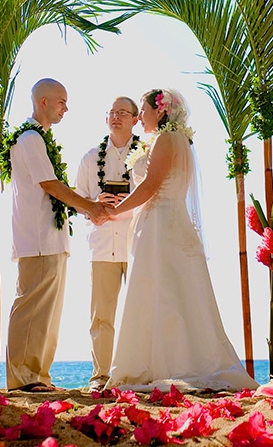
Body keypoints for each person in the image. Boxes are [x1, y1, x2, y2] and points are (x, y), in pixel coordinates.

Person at [104, 89, 258, 391]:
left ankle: (163, 364)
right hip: (166, 223)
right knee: (174, 291)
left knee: (161, 290)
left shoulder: (166, 139)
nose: (140, 117)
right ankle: (168, 359)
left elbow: (150, 185)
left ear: (159, 111)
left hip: (161, 225)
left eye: (145, 110)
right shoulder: (177, 140)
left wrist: (114, 211)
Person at [5, 79, 107, 392]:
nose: (66, 108)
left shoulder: (40, 139)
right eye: (61, 101)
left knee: (48, 313)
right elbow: (49, 184)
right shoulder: (30, 138)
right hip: (36, 238)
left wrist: (88, 206)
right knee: (32, 308)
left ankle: (37, 376)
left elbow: (55, 189)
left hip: (51, 237)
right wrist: (89, 206)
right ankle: (23, 379)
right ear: (44, 102)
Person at [73, 96, 143, 392]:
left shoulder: (144, 155)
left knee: (139, 311)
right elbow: (77, 200)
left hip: (136, 242)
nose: (116, 117)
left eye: (123, 113)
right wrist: (95, 203)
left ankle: (139, 373)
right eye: (111, 112)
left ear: (135, 119)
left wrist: (127, 204)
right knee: (101, 315)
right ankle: (100, 376)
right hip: (101, 245)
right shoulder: (91, 157)